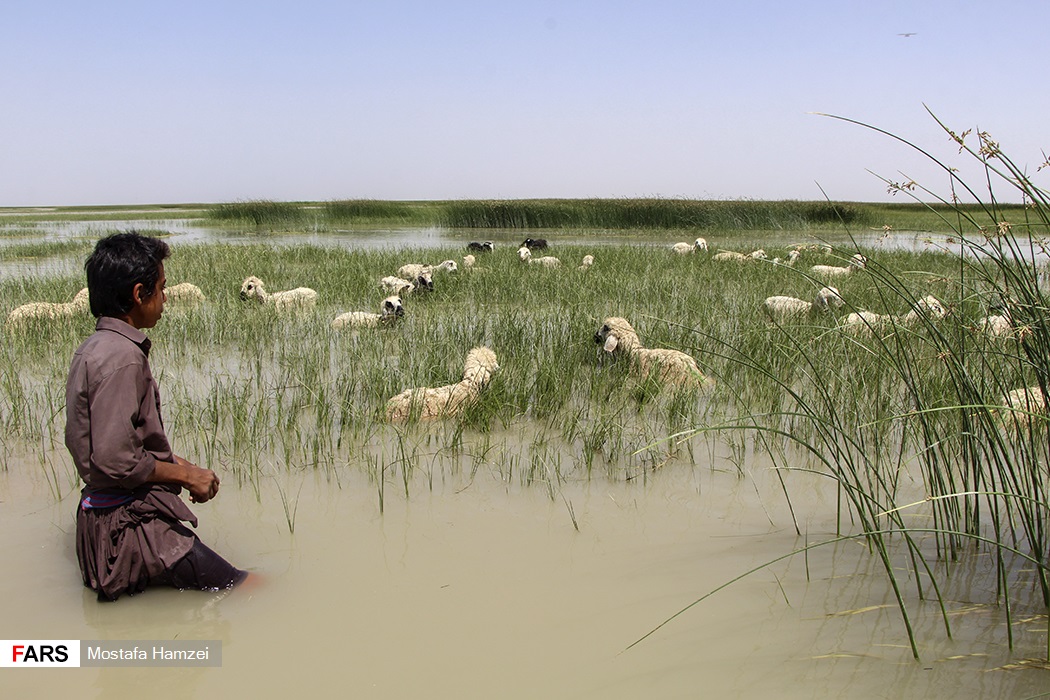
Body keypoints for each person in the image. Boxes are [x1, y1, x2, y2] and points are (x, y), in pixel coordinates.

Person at [65, 232, 246, 601]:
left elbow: (116, 444)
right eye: (161, 288)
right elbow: (117, 459)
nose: (165, 298)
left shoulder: (94, 348)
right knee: (241, 588)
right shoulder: (122, 357)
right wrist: (184, 474)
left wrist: (186, 468)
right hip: (129, 528)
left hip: (102, 519)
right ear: (138, 294)